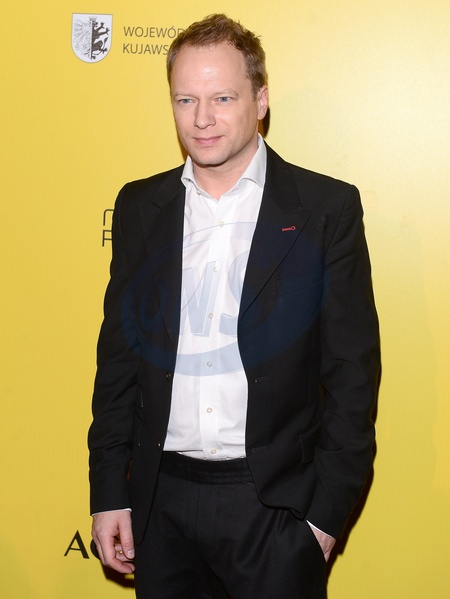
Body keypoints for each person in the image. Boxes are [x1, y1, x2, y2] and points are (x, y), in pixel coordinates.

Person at [88, 13, 380, 599]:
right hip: (160, 503)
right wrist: (109, 492)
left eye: (222, 97)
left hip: (274, 507)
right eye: (186, 99)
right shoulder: (141, 206)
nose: (202, 118)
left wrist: (323, 519)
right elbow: (119, 362)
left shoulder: (326, 209)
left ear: (260, 100)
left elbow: (353, 374)